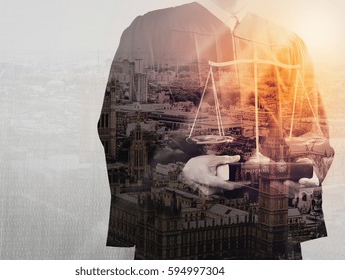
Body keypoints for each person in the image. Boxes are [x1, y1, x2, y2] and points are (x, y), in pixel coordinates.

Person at [98, 0, 334, 259]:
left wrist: (307, 168)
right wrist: (179, 171)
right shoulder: (151, 30)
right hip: (183, 235)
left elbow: (312, 131)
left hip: (270, 239)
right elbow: (121, 129)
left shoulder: (288, 43)